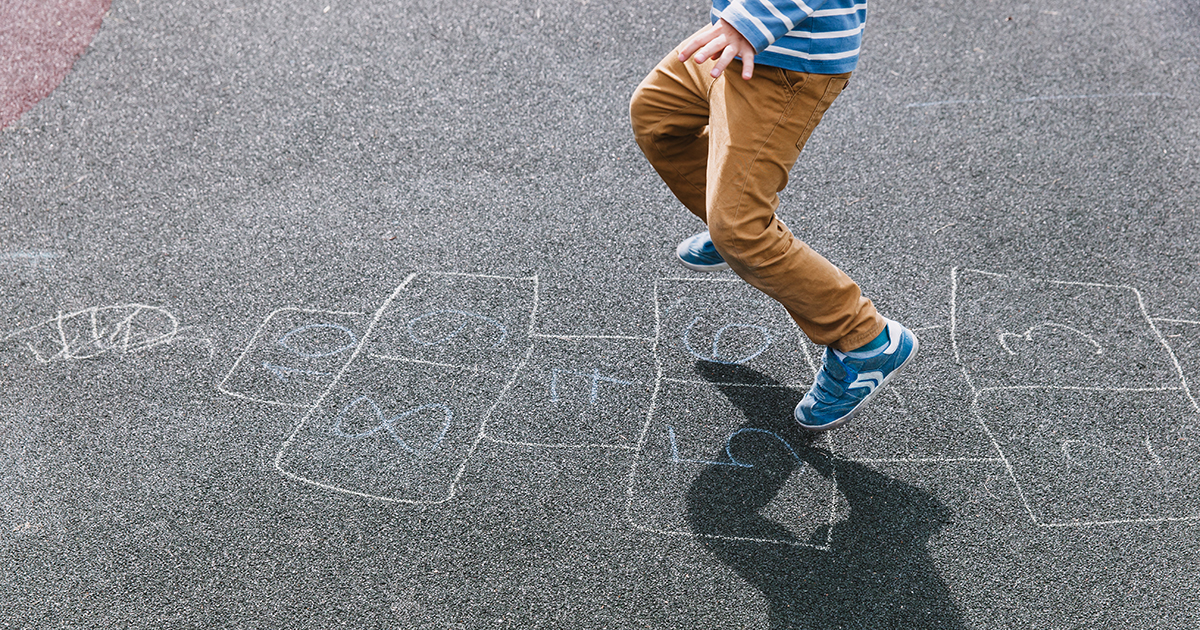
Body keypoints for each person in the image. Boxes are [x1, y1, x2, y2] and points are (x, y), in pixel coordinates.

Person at [629, 0, 918, 431]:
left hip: (785, 64)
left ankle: (866, 340)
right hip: (734, 44)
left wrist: (750, 21)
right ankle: (732, 222)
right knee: (658, 115)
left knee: (740, 230)